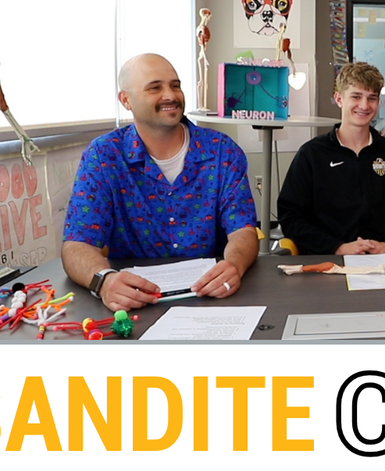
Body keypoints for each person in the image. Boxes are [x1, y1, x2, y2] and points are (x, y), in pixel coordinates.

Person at [61, 53, 259, 312]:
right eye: (155, 87)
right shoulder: (103, 156)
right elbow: (77, 244)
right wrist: (104, 281)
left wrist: (234, 265)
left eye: (175, 85)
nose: (170, 95)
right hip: (133, 302)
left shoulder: (222, 151)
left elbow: (243, 230)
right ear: (126, 100)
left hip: (210, 297)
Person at [277, 62, 385, 255]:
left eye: (372, 98)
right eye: (356, 96)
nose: (364, 105)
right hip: (329, 259)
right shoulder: (312, 154)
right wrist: (337, 248)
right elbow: (290, 216)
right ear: (339, 99)